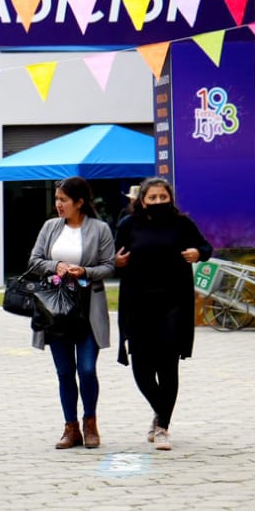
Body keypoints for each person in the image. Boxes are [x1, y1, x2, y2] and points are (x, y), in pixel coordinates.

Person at [113, 177, 212, 451]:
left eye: (162, 197)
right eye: (152, 198)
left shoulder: (182, 224)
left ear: (170, 198)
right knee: (141, 368)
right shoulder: (128, 224)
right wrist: (116, 261)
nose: (158, 202)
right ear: (142, 200)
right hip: (138, 302)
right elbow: (112, 256)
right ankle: (160, 410)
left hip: (174, 302)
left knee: (168, 365)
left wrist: (197, 253)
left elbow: (205, 247)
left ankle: (162, 427)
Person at [27, 176, 117, 450]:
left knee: (87, 369)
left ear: (79, 202)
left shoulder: (100, 229)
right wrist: (56, 266)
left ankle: (90, 423)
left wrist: (84, 271)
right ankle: (71, 427)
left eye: (64, 200)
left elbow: (109, 265)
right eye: (56, 199)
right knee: (65, 371)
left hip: (87, 308)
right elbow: (34, 260)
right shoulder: (50, 227)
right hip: (55, 310)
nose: (58, 205)